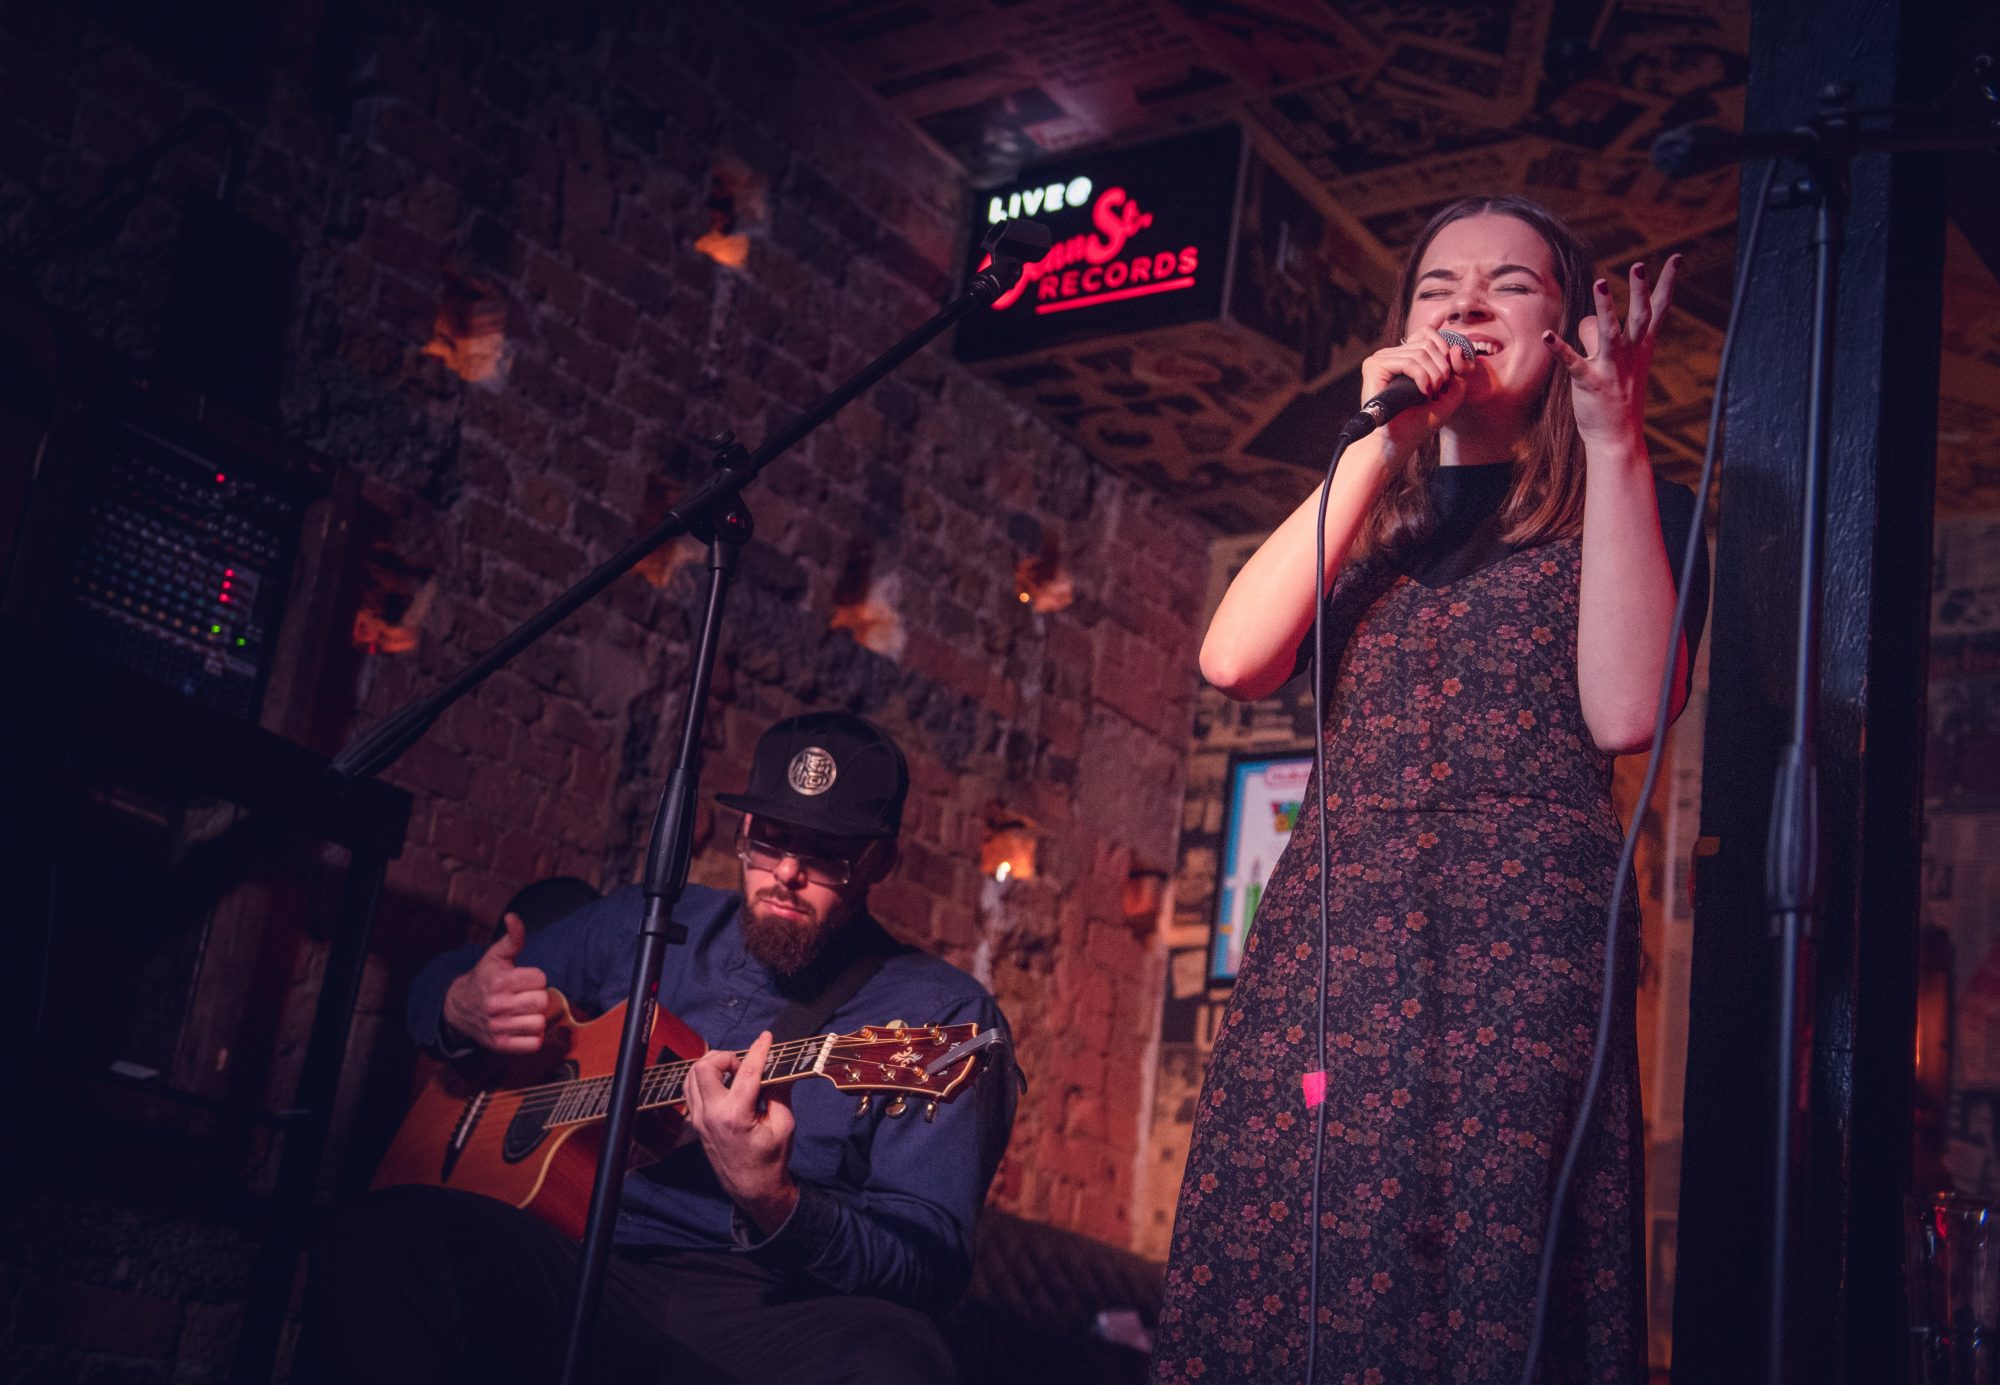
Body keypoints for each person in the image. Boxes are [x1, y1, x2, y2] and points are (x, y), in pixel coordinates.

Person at [1151, 196, 1710, 1383]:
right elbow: (1231, 659)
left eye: (1509, 282)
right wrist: (1378, 439)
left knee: (1478, 1285)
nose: (1464, 301)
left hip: (1520, 965)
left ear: (1564, 330)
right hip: (1332, 950)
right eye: (1436, 285)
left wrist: (1614, 438)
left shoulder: (1632, 507)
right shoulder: (1372, 525)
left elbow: (1623, 711)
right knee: (1292, 1269)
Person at [298, 711, 1017, 1385]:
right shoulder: (644, 925)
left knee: (896, 1362)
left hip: (757, 1302)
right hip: (568, 1248)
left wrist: (775, 1199)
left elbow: (928, 1262)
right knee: (387, 1236)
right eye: (769, 839)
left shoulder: (935, 1013)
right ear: (741, 827)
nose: (786, 874)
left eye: (824, 855)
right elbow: (439, 987)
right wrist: (459, 1006)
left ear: (877, 862)